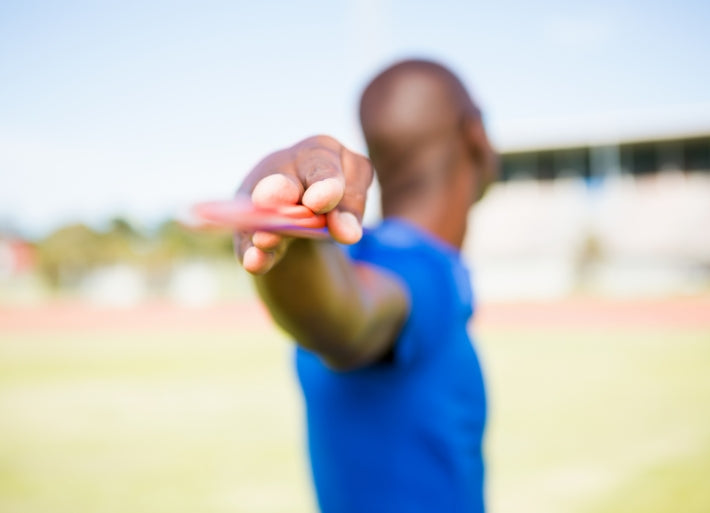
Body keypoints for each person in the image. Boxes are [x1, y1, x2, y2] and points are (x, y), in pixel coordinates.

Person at [235, 59, 498, 513]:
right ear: (475, 132)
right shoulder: (425, 270)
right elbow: (349, 322)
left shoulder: (352, 255)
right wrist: (282, 213)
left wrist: (292, 226)